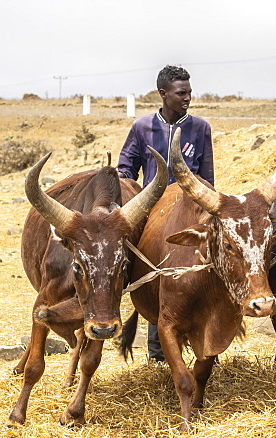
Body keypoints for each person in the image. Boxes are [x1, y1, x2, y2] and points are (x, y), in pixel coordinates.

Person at [118, 65, 214, 361]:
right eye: (181, 93)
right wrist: (130, 202)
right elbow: (125, 169)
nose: (188, 98)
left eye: (189, 92)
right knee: (151, 275)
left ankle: (208, 347)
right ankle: (159, 354)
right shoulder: (143, 127)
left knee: (200, 275)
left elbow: (207, 177)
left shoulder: (200, 128)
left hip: (188, 214)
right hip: (153, 216)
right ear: (163, 94)